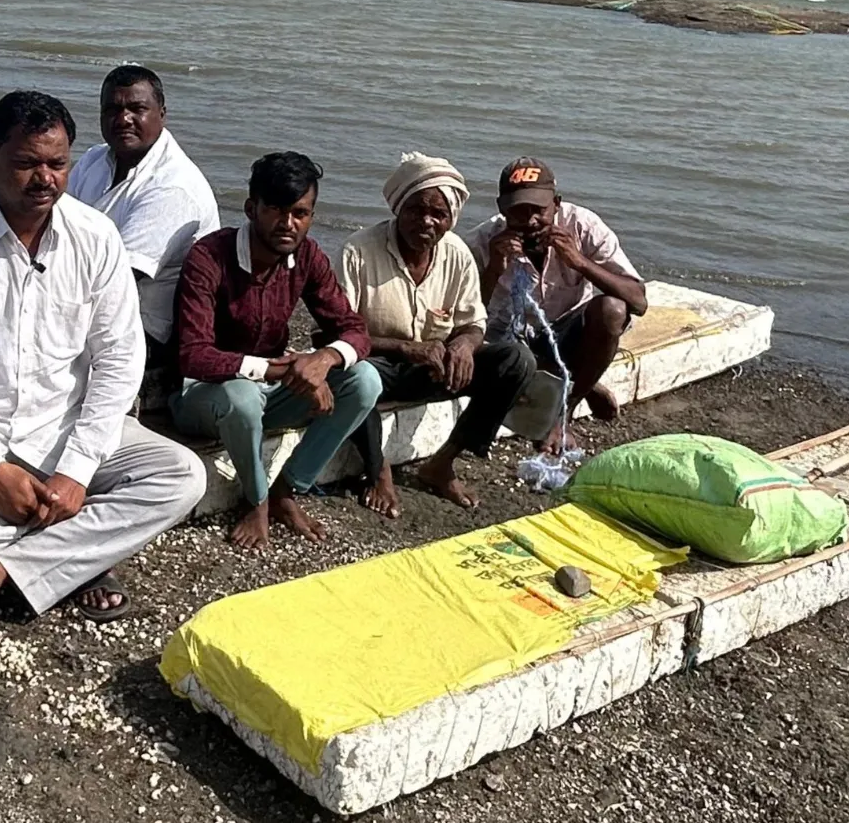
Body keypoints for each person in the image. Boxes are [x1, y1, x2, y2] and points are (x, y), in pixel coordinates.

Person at [0, 90, 206, 660]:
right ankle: (82, 554)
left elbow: (120, 359)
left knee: (181, 476)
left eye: (57, 164)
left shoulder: (95, 237)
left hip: (61, 422)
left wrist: (76, 470)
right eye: (26, 163)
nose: (44, 179)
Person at [168, 151, 380, 549]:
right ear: (252, 208)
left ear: (312, 215)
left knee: (364, 380)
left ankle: (287, 489)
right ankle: (257, 500)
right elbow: (193, 355)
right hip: (203, 396)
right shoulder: (209, 257)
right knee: (243, 396)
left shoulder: (308, 256)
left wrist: (323, 360)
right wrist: (283, 371)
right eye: (276, 210)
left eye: (300, 212)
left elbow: (355, 330)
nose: (288, 224)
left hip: (267, 392)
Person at [338, 154, 538, 514]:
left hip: (434, 368)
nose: (426, 222)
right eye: (416, 210)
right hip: (376, 365)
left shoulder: (456, 254)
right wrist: (406, 347)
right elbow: (334, 333)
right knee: (353, 375)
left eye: (438, 214)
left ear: (450, 219)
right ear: (399, 207)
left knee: (516, 360)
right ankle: (378, 470)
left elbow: (473, 321)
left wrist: (463, 345)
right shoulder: (359, 250)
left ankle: (443, 464)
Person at [66, 64, 221, 399]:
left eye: (137, 109)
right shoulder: (96, 160)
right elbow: (56, 229)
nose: (123, 119)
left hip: (146, 329)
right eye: (113, 109)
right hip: (90, 297)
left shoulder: (173, 187)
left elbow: (118, 278)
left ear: (161, 114)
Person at [466, 158, 649, 439]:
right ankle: (579, 381)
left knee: (612, 309)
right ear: (501, 209)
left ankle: (565, 410)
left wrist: (581, 262)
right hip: (513, 342)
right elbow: (465, 314)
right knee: (493, 351)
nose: (530, 222)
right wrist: (493, 269)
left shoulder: (583, 226)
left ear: (557, 203)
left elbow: (638, 301)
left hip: (567, 335)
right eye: (517, 212)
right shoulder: (482, 242)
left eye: (538, 211)